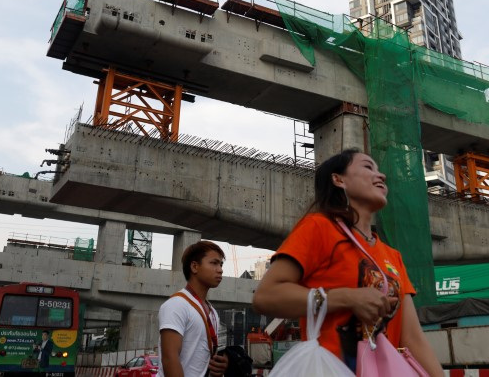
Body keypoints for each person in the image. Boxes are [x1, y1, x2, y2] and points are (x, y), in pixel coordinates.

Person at [252, 149, 443, 375]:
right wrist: (347, 297)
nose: (381, 176)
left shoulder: (392, 256)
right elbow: (266, 296)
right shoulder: (318, 227)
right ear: (338, 179)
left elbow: (412, 337)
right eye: (368, 167)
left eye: (380, 170)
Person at [158, 240, 229, 377]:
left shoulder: (212, 312)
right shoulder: (176, 305)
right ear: (195, 267)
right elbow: (170, 359)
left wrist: (221, 366)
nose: (220, 269)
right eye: (214, 263)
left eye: (221, 264)